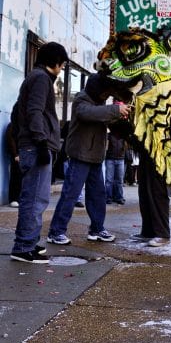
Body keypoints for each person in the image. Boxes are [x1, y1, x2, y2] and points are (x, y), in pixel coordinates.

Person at [46, 73, 131, 245]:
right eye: (104, 92)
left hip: (95, 156)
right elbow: (89, 113)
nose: (106, 96)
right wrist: (115, 110)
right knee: (70, 194)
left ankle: (97, 229)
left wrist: (121, 119)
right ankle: (55, 232)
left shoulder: (99, 104)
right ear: (97, 89)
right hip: (80, 155)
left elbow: (102, 117)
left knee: (98, 195)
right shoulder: (81, 100)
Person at [10, 42, 68, 263]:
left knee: (34, 198)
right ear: (54, 62)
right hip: (36, 147)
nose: (61, 70)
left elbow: (17, 112)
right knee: (35, 199)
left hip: (31, 145)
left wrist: (23, 138)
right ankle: (23, 247)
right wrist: (41, 142)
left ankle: (28, 242)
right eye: (61, 66)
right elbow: (34, 111)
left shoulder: (33, 78)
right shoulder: (41, 78)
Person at [131, 147, 171, 246]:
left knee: (157, 192)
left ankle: (163, 233)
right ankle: (148, 231)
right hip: (146, 151)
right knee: (145, 193)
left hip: (159, 151)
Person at [105, 126, 127, 205]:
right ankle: (110, 197)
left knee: (117, 180)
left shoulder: (122, 135)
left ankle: (117, 197)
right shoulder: (109, 135)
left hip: (119, 158)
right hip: (112, 158)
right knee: (111, 180)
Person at [4, 122, 22, 208]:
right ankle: (14, 199)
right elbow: (10, 139)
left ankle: (18, 198)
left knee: (22, 177)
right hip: (17, 155)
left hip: (24, 154)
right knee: (16, 176)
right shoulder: (13, 125)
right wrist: (15, 154)